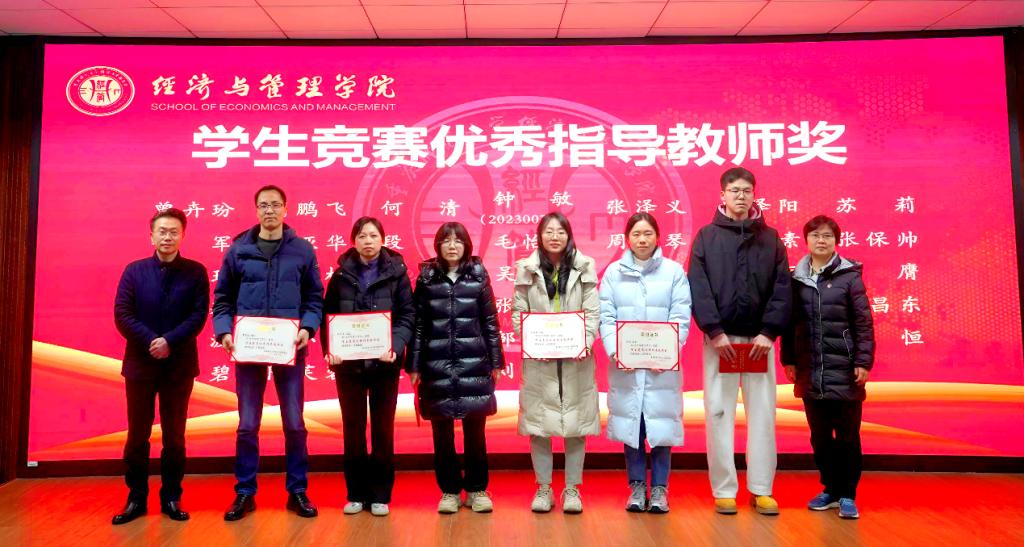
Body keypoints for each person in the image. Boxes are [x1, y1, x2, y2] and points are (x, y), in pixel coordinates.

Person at [213, 185, 324, 521]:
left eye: (276, 205)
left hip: (289, 346)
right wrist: (224, 331)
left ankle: (297, 490)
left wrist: (308, 328)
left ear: (286, 209)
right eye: (263, 205)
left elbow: (314, 298)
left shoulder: (302, 250)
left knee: (294, 423)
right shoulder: (239, 250)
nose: (270, 210)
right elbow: (222, 299)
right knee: (248, 424)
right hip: (249, 348)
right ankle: (245, 492)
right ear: (256, 210)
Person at [688, 167, 791, 515]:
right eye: (734, 190)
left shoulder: (771, 239)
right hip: (722, 342)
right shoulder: (706, 237)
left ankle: (761, 489)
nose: (741, 196)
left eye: (747, 190)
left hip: (760, 342)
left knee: (763, 415)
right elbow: (698, 286)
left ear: (754, 195)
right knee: (718, 413)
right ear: (723, 195)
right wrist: (714, 331)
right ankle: (724, 489)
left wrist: (769, 332)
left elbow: (782, 288)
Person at [112, 208, 209, 525]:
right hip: (140, 365)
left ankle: (171, 497)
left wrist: (169, 341)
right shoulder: (134, 271)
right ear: (151, 235)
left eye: (174, 232)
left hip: (178, 366)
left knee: (175, 436)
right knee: (137, 435)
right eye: (162, 231)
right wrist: (151, 340)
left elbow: (198, 316)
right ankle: (136, 497)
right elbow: (123, 314)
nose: (167, 237)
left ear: (183, 236)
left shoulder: (196, 272)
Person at [407, 222, 505, 514]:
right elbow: (419, 325)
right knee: (442, 433)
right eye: (446, 240)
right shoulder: (427, 279)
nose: (452, 246)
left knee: (475, 432)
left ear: (466, 245)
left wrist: (496, 361)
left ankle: (477, 489)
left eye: (458, 240)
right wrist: (414, 365)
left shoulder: (478, 276)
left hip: (474, 363)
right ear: (437, 245)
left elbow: (490, 322)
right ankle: (449, 491)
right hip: (435, 365)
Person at [782, 215, 875, 520]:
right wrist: (789, 360)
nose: (821, 241)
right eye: (815, 236)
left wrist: (863, 361)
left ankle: (848, 494)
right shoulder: (796, 279)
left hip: (845, 370)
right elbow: (789, 324)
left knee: (847, 437)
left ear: (836, 241)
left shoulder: (850, 277)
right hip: (810, 370)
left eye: (827, 236)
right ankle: (830, 489)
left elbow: (863, 323)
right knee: (820, 437)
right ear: (806, 240)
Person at [599, 213, 691, 514]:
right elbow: (606, 317)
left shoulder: (674, 272)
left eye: (647, 233)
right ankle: (637, 487)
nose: (642, 239)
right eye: (636, 234)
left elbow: (681, 315)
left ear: (658, 237)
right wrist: (616, 352)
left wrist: (667, 352)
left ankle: (661, 489)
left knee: (661, 424)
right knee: (632, 426)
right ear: (627, 238)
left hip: (662, 367)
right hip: (626, 366)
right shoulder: (613, 273)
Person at [323, 216, 414, 517]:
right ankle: (355, 493)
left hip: (384, 366)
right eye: (362, 236)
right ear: (354, 241)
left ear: (383, 239)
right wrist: (331, 350)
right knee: (353, 430)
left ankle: (380, 494)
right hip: (348, 368)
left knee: (382, 431)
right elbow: (328, 316)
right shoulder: (340, 276)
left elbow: (407, 316)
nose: (368, 241)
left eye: (373, 235)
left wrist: (395, 346)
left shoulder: (397, 274)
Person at [511, 212, 600, 514]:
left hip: (577, 359)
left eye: (560, 231)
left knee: (575, 424)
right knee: (539, 425)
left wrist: (585, 342)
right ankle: (544, 488)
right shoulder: (526, 269)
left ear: (569, 235)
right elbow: (518, 313)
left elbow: (592, 312)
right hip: (540, 359)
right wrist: (532, 342)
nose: (554, 237)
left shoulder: (584, 266)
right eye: (549, 231)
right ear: (540, 236)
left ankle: (572, 489)